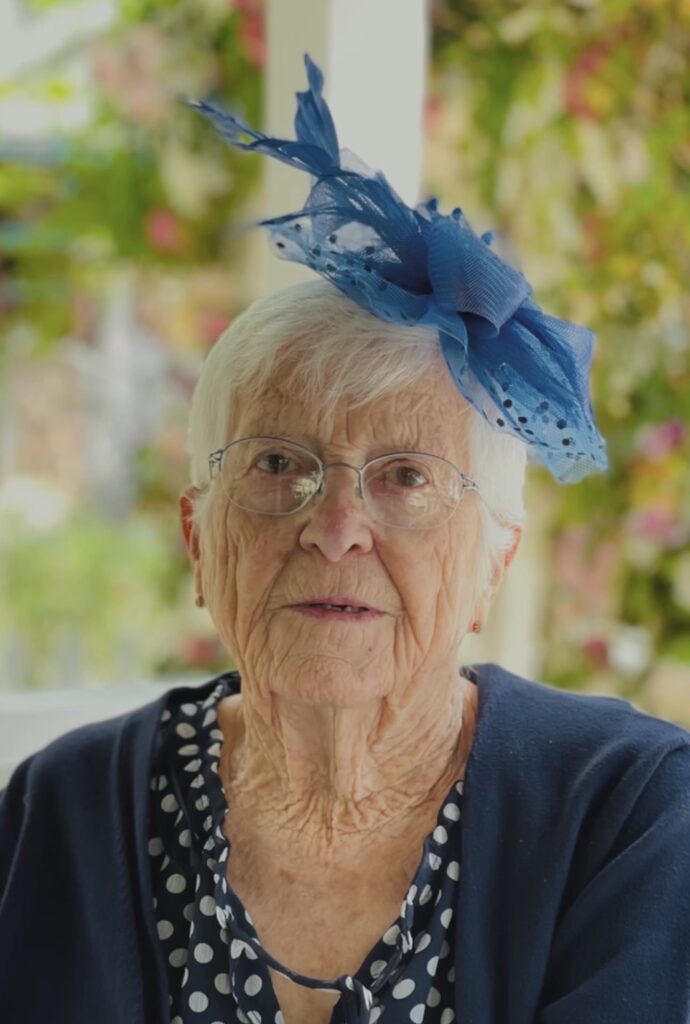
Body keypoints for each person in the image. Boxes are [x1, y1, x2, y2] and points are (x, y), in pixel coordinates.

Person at [1, 55, 689, 1024]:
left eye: (407, 477)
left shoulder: (629, 813)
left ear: (496, 557)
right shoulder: (57, 816)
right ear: (199, 536)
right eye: (278, 465)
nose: (335, 530)